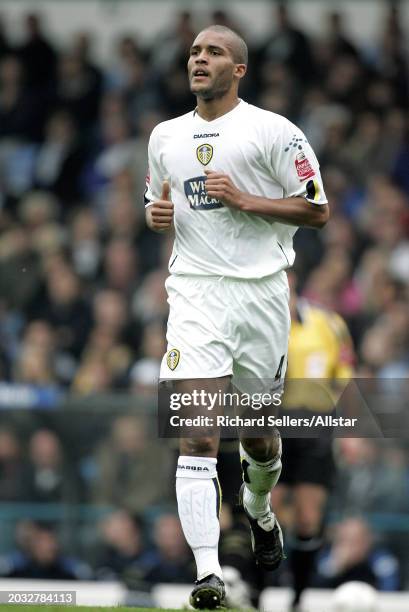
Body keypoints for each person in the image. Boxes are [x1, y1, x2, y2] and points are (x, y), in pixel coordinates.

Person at [145, 25, 329, 610]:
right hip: (196, 294)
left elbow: (317, 209)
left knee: (260, 437)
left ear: (238, 69)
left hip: (261, 296)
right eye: (196, 52)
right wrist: (156, 214)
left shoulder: (274, 131)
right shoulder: (165, 136)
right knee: (197, 432)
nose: (200, 59)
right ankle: (208, 573)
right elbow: (156, 199)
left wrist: (247, 200)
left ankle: (258, 512)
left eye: (214, 52)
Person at [271, 271, 355, 611]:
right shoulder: (258, 326)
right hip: (271, 424)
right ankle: (259, 590)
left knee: (308, 517)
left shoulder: (327, 324)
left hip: (314, 425)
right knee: (269, 511)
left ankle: (298, 596)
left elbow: (345, 374)